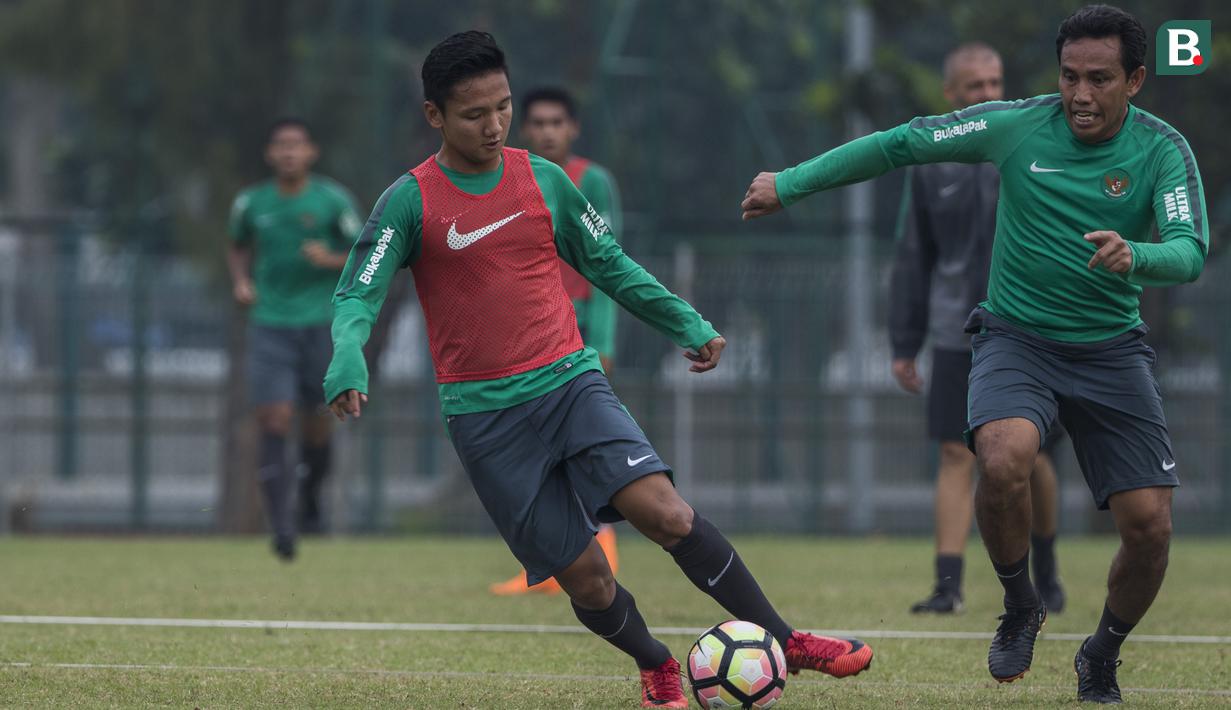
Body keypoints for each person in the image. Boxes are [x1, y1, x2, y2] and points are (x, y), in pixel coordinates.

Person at [325, 31, 874, 708]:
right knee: (586, 577)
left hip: (569, 383)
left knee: (666, 513)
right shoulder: (409, 201)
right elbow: (358, 290)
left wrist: (686, 322)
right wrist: (347, 359)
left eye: (502, 106)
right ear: (434, 115)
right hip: (484, 416)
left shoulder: (544, 180)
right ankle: (653, 662)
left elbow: (609, 264)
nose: (494, 124)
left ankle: (783, 639)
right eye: (474, 114)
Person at [742, 6, 1205, 703]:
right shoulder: (1016, 124)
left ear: (1136, 79)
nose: (1080, 94)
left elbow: (1189, 250)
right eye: (1069, 76)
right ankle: (1020, 604)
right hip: (1015, 338)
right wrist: (791, 183)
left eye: (1100, 79)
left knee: (1149, 528)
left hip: (1111, 350)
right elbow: (902, 143)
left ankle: (1100, 652)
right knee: (1000, 454)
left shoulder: (1162, 150)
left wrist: (1133, 253)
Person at [889, 43, 1066, 616]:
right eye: (974, 87)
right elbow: (912, 255)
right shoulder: (929, 165)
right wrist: (903, 342)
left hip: (1030, 327)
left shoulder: (1029, 146)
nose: (987, 95)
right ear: (951, 95)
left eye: (995, 83)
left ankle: (1047, 570)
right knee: (954, 454)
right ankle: (948, 585)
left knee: (1030, 457)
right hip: (954, 333)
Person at [489, 86, 623, 597]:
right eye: (538, 123)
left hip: (579, 329)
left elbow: (608, 260)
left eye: (556, 123)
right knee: (532, 450)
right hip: (524, 332)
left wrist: (603, 339)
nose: (547, 131)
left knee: (581, 445)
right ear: (525, 129)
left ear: (573, 129)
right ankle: (554, 564)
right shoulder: (508, 177)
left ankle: (600, 557)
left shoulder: (594, 182)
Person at [227, 118, 362, 560]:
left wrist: (329, 258)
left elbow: (367, 249)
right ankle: (282, 527)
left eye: (296, 145)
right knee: (274, 418)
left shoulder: (331, 200)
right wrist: (242, 281)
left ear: (311, 152)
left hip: (321, 322)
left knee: (318, 422)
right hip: (270, 323)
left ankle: (309, 501)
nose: (288, 153)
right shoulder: (252, 203)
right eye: (280, 145)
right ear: (270, 153)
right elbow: (237, 245)